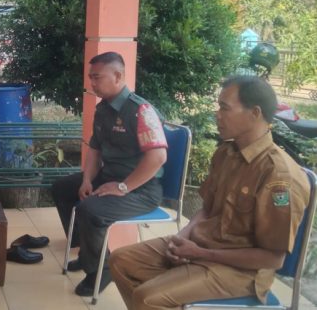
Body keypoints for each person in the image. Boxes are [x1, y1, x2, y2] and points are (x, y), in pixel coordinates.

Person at [109, 75, 311, 310]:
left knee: (147, 298)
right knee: (121, 261)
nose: (217, 114)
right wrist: (183, 236)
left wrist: (201, 254)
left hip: (241, 271)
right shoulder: (226, 153)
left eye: (224, 108)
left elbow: (272, 258)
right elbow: (207, 209)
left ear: (254, 113)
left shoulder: (279, 176)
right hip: (202, 246)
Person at [52, 52, 168, 297]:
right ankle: (87, 253)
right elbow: (95, 149)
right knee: (62, 188)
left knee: (91, 210)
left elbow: (158, 157)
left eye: (97, 77)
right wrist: (86, 179)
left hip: (141, 189)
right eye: (90, 77)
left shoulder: (140, 110)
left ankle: (101, 270)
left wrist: (123, 187)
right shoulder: (103, 109)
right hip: (110, 177)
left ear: (117, 76)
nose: (92, 83)